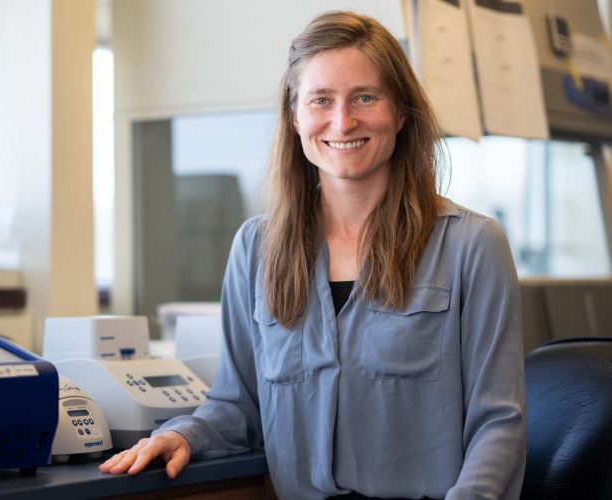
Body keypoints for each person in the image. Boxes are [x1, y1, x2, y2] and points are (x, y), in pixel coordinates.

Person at [99, 11, 525, 500]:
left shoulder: (472, 245)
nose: (343, 121)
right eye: (321, 100)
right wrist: (181, 435)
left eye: (365, 97)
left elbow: (498, 424)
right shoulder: (256, 249)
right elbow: (238, 406)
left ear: (401, 112)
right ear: (296, 116)